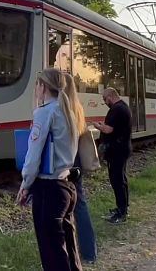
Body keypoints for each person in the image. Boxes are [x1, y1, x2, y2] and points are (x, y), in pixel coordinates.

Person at [17, 68, 82, 271]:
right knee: (69, 248)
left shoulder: (45, 113)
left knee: (52, 252)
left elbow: (33, 153)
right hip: (67, 186)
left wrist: (25, 185)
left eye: (37, 85)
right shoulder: (69, 112)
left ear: (42, 87)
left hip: (49, 189)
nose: (35, 89)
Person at [62, 73, 97, 264]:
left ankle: (68, 252)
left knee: (62, 208)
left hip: (64, 161)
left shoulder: (60, 108)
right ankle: (89, 252)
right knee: (79, 205)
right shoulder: (77, 108)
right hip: (76, 161)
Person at [91, 88, 132, 224]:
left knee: (117, 181)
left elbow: (109, 129)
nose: (104, 102)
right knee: (121, 179)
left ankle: (121, 212)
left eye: (104, 99)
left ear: (110, 96)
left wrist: (97, 126)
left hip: (117, 151)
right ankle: (122, 207)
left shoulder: (117, 109)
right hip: (121, 149)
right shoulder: (123, 107)